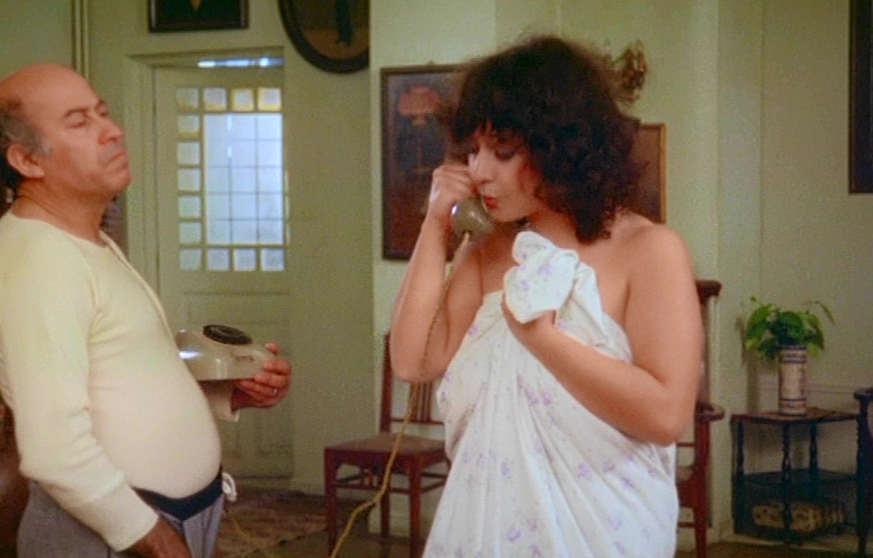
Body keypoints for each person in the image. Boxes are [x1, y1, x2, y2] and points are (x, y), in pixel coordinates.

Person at [390, 35, 703, 557]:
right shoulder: (487, 249)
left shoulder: (650, 251)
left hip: (602, 530)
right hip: (484, 529)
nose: (480, 171)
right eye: (473, 151)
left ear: (562, 146)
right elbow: (412, 359)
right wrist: (433, 225)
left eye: (503, 151)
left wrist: (541, 339)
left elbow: (666, 415)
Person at [0, 63, 292, 558]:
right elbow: (55, 449)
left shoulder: (84, 242)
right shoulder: (40, 257)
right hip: (121, 535)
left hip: (168, 519)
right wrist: (157, 541)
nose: (112, 131)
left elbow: (116, 380)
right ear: (27, 159)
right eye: (79, 122)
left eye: (103, 112)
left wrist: (228, 394)